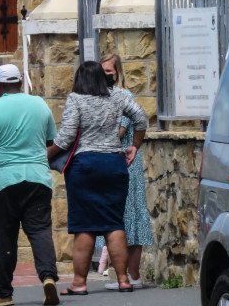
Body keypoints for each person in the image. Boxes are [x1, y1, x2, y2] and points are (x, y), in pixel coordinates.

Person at [47, 61, 148, 296]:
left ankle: (79, 283)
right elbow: (141, 117)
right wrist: (135, 146)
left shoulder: (76, 98)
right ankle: (123, 279)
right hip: (114, 163)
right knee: (114, 223)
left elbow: (67, 136)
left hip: (85, 166)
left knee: (85, 226)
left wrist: (46, 156)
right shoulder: (118, 97)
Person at [0, 64, 60, 306]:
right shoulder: (40, 104)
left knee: (5, 237)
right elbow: (51, 140)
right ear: (20, 82)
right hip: (38, 178)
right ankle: (48, 278)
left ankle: (3, 293)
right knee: (40, 231)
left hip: (4, 182)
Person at [99, 53, 154, 290]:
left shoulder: (123, 96)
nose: (105, 76)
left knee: (126, 217)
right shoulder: (108, 97)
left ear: (118, 72)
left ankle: (131, 275)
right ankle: (129, 275)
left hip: (125, 162)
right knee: (125, 217)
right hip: (118, 162)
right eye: (102, 72)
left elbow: (119, 131)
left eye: (109, 71)